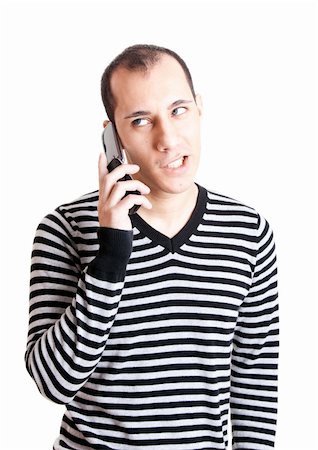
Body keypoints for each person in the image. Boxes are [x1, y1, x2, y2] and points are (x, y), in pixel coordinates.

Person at [25, 44, 279, 450]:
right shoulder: (65, 228)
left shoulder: (248, 232)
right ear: (113, 135)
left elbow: (255, 381)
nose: (168, 138)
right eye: (141, 120)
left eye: (179, 110)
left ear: (199, 108)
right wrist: (111, 254)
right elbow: (53, 384)